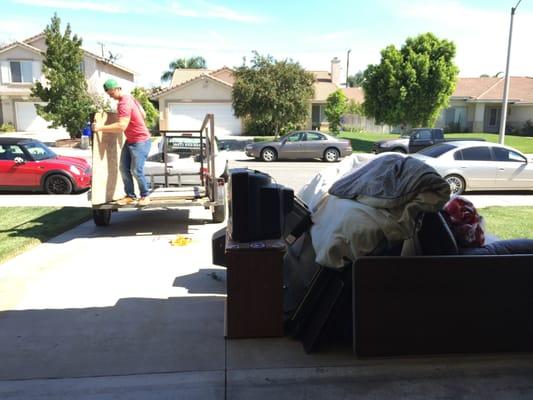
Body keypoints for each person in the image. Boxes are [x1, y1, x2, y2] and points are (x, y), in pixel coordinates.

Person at [92, 79, 151, 206]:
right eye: (108, 93)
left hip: (140, 141)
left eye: (111, 93)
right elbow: (144, 114)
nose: (110, 96)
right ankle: (130, 195)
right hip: (131, 140)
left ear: (117, 88)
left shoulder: (124, 103)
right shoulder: (130, 98)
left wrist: (99, 128)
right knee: (124, 168)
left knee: (136, 170)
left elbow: (121, 126)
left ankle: (145, 195)